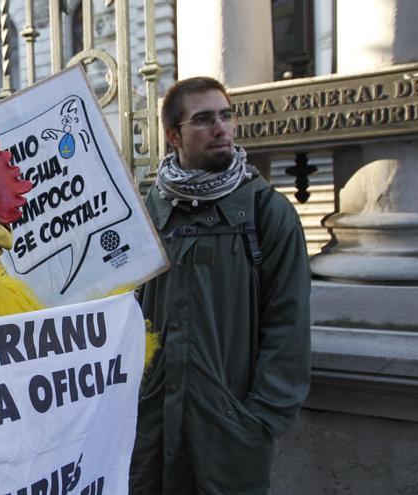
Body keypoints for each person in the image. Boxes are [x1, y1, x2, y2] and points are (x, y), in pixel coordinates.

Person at [129, 77, 311, 494]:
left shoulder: (266, 211)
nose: (221, 128)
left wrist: (258, 418)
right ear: (173, 136)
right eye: (204, 119)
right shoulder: (145, 212)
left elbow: (289, 322)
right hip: (149, 426)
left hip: (228, 432)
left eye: (226, 116)